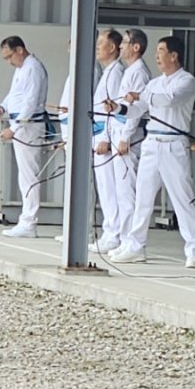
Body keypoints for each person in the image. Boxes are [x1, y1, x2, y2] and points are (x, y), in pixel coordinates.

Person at [110, 35, 195, 268]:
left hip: (174, 144)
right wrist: (118, 108)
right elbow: (138, 110)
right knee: (143, 198)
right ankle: (136, 246)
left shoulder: (187, 81)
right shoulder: (154, 83)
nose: (157, 56)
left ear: (174, 55)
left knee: (182, 198)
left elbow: (168, 100)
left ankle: (193, 250)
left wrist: (140, 95)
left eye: (161, 51)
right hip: (151, 143)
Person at [0, 35, 50, 238]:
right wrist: (3, 107)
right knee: (24, 175)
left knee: (29, 175)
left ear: (19, 50)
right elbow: (14, 94)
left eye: (10, 56)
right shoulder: (21, 69)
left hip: (29, 125)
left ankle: (29, 222)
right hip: (21, 123)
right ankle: (26, 220)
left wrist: (15, 128)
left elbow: (31, 101)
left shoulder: (33, 68)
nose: (9, 61)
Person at [79, 30, 127, 253]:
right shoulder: (109, 72)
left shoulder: (116, 73)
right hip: (99, 133)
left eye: (101, 43)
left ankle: (113, 234)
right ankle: (110, 231)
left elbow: (113, 110)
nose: (97, 47)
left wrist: (105, 138)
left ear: (113, 48)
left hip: (106, 136)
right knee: (105, 187)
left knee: (110, 188)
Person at [107, 28, 151, 243]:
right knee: (121, 190)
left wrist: (125, 137)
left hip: (129, 136)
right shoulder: (130, 70)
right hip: (120, 131)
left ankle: (129, 240)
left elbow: (137, 109)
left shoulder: (139, 72)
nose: (121, 46)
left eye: (125, 42)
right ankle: (124, 238)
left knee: (127, 191)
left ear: (136, 47)